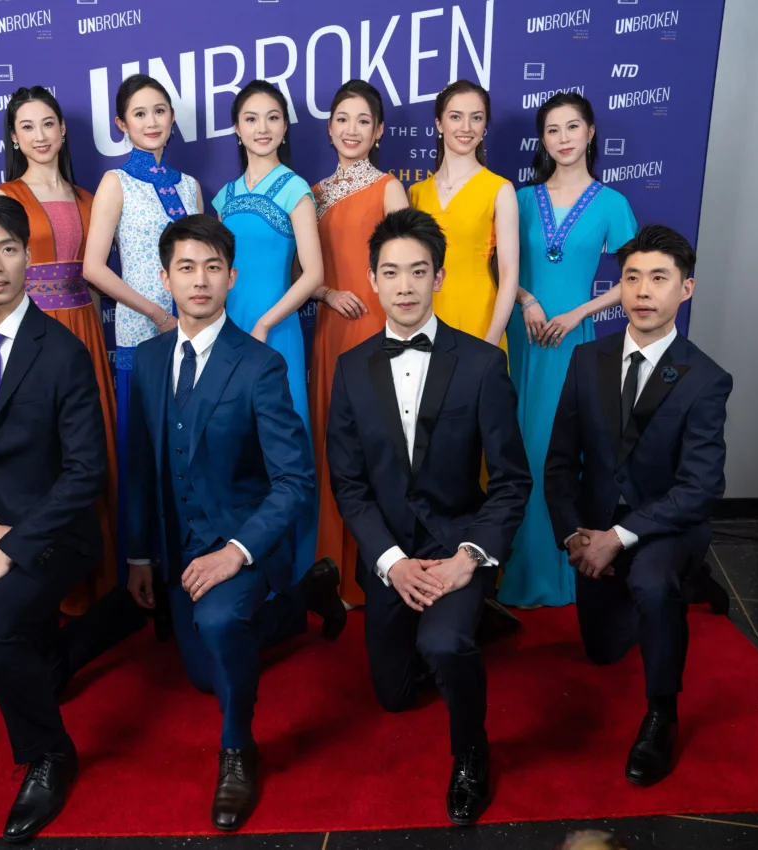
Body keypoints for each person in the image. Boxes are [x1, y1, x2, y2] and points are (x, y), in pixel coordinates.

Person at [125, 214, 346, 832]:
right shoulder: (145, 361)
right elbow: (141, 464)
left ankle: (238, 750)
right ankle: (307, 596)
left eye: (213, 268)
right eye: (186, 268)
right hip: (176, 547)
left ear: (232, 277)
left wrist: (237, 552)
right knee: (200, 673)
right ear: (165, 278)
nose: (200, 280)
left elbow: (295, 481)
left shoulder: (260, 364)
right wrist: (140, 554)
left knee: (221, 621)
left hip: (240, 540)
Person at [326, 208, 531, 826]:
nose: (406, 286)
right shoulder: (352, 368)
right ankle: (468, 629)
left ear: (440, 278)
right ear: (372, 280)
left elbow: (512, 481)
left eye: (419, 272)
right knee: (392, 697)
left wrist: (469, 560)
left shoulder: (481, 364)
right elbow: (349, 483)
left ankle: (472, 752)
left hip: (456, 547)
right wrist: (388, 562)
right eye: (391, 273)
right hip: (391, 553)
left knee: (443, 643)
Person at [0, 195, 109, 841]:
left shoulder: (60, 352)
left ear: (27, 258)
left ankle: (49, 753)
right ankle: (91, 638)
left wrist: (8, 551)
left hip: (55, 532)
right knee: (0, 628)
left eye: (7, 248)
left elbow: (87, 472)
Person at [545, 224, 732, 787]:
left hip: (668, 525)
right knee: (602, 651)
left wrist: (618, 539)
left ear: (686, 290)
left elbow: (700, 487)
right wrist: (575, 534)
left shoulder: (706, 379)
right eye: (631, 278)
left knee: (652, 582)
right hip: (596, 524)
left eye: (659, 278)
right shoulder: (586, 361)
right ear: (619, 288)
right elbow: (558, 463)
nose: (643, 291)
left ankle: (661, 716)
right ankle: (675, 591)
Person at [499, 93, 637, 609]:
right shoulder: (519, 197)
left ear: (591, 132)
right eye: (552, 130)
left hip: (571, 342)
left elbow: (634, 280)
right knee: (514, 448)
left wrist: (580, 312)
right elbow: (498, 267)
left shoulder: (611, 203)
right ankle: (506, 561)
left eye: (572, 127)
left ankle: (559, 566)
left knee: (555, 451)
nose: (563, 138)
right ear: (543, 139)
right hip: (521, 334)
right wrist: (527, 300)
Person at [0, 86, 119, 615]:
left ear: (63, 130)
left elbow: (93, 278)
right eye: (28, 126)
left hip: (85, 328)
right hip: (33, 333)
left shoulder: (90, 198)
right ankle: (51, 587)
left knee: (94, 448)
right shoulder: (6, 197)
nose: (40, 136)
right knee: (45, 456)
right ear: (15, 137)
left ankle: (105, 581)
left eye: (49, 124)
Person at [83, 73, 202, 587]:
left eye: (160, 111)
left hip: (193, 337)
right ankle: (140, 563)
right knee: (143, 452)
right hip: (140, 337)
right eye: (139, 113)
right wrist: (155, 314)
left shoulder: (191, 185)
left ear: (172, 118)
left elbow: (203, 262)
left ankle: (188, 559)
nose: (151, 121)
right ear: (121, 124)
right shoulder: (115, 182)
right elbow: (94, 266)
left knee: (190, 452)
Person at [213, 79, 324, 579]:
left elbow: (315, 274)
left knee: (284, 454)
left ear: (285, 127)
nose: (263, 128)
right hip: (224, 337)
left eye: (273, 117)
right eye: (251, 118)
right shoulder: (222, 198)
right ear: (237, 129)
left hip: (274, 336)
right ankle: (235, 566)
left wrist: (264, 322)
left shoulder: (297, 189)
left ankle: (293, 576)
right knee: (229, 448)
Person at [310, 79, 409, 608]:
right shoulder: (315, 192)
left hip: (379, 329)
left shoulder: (390, 188)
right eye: (342, 119)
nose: (352, 130)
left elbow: (407, 268)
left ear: (379, 131)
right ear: (329, 128)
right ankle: (335, 568)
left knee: (381, 445)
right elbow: (305, 270)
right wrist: (326, 292)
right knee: (336, 447)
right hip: (332, 328)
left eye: (363, 121)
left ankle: (383, 569)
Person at [409, 79, 518, 353]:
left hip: (478, 318)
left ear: (484, 127)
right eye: (456, 116)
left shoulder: (499, 189)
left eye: (476, 118)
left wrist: (490, 343)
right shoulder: (415, 193)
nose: (466, 127)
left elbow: (508, 275)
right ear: (439, 124)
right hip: (423, 316)